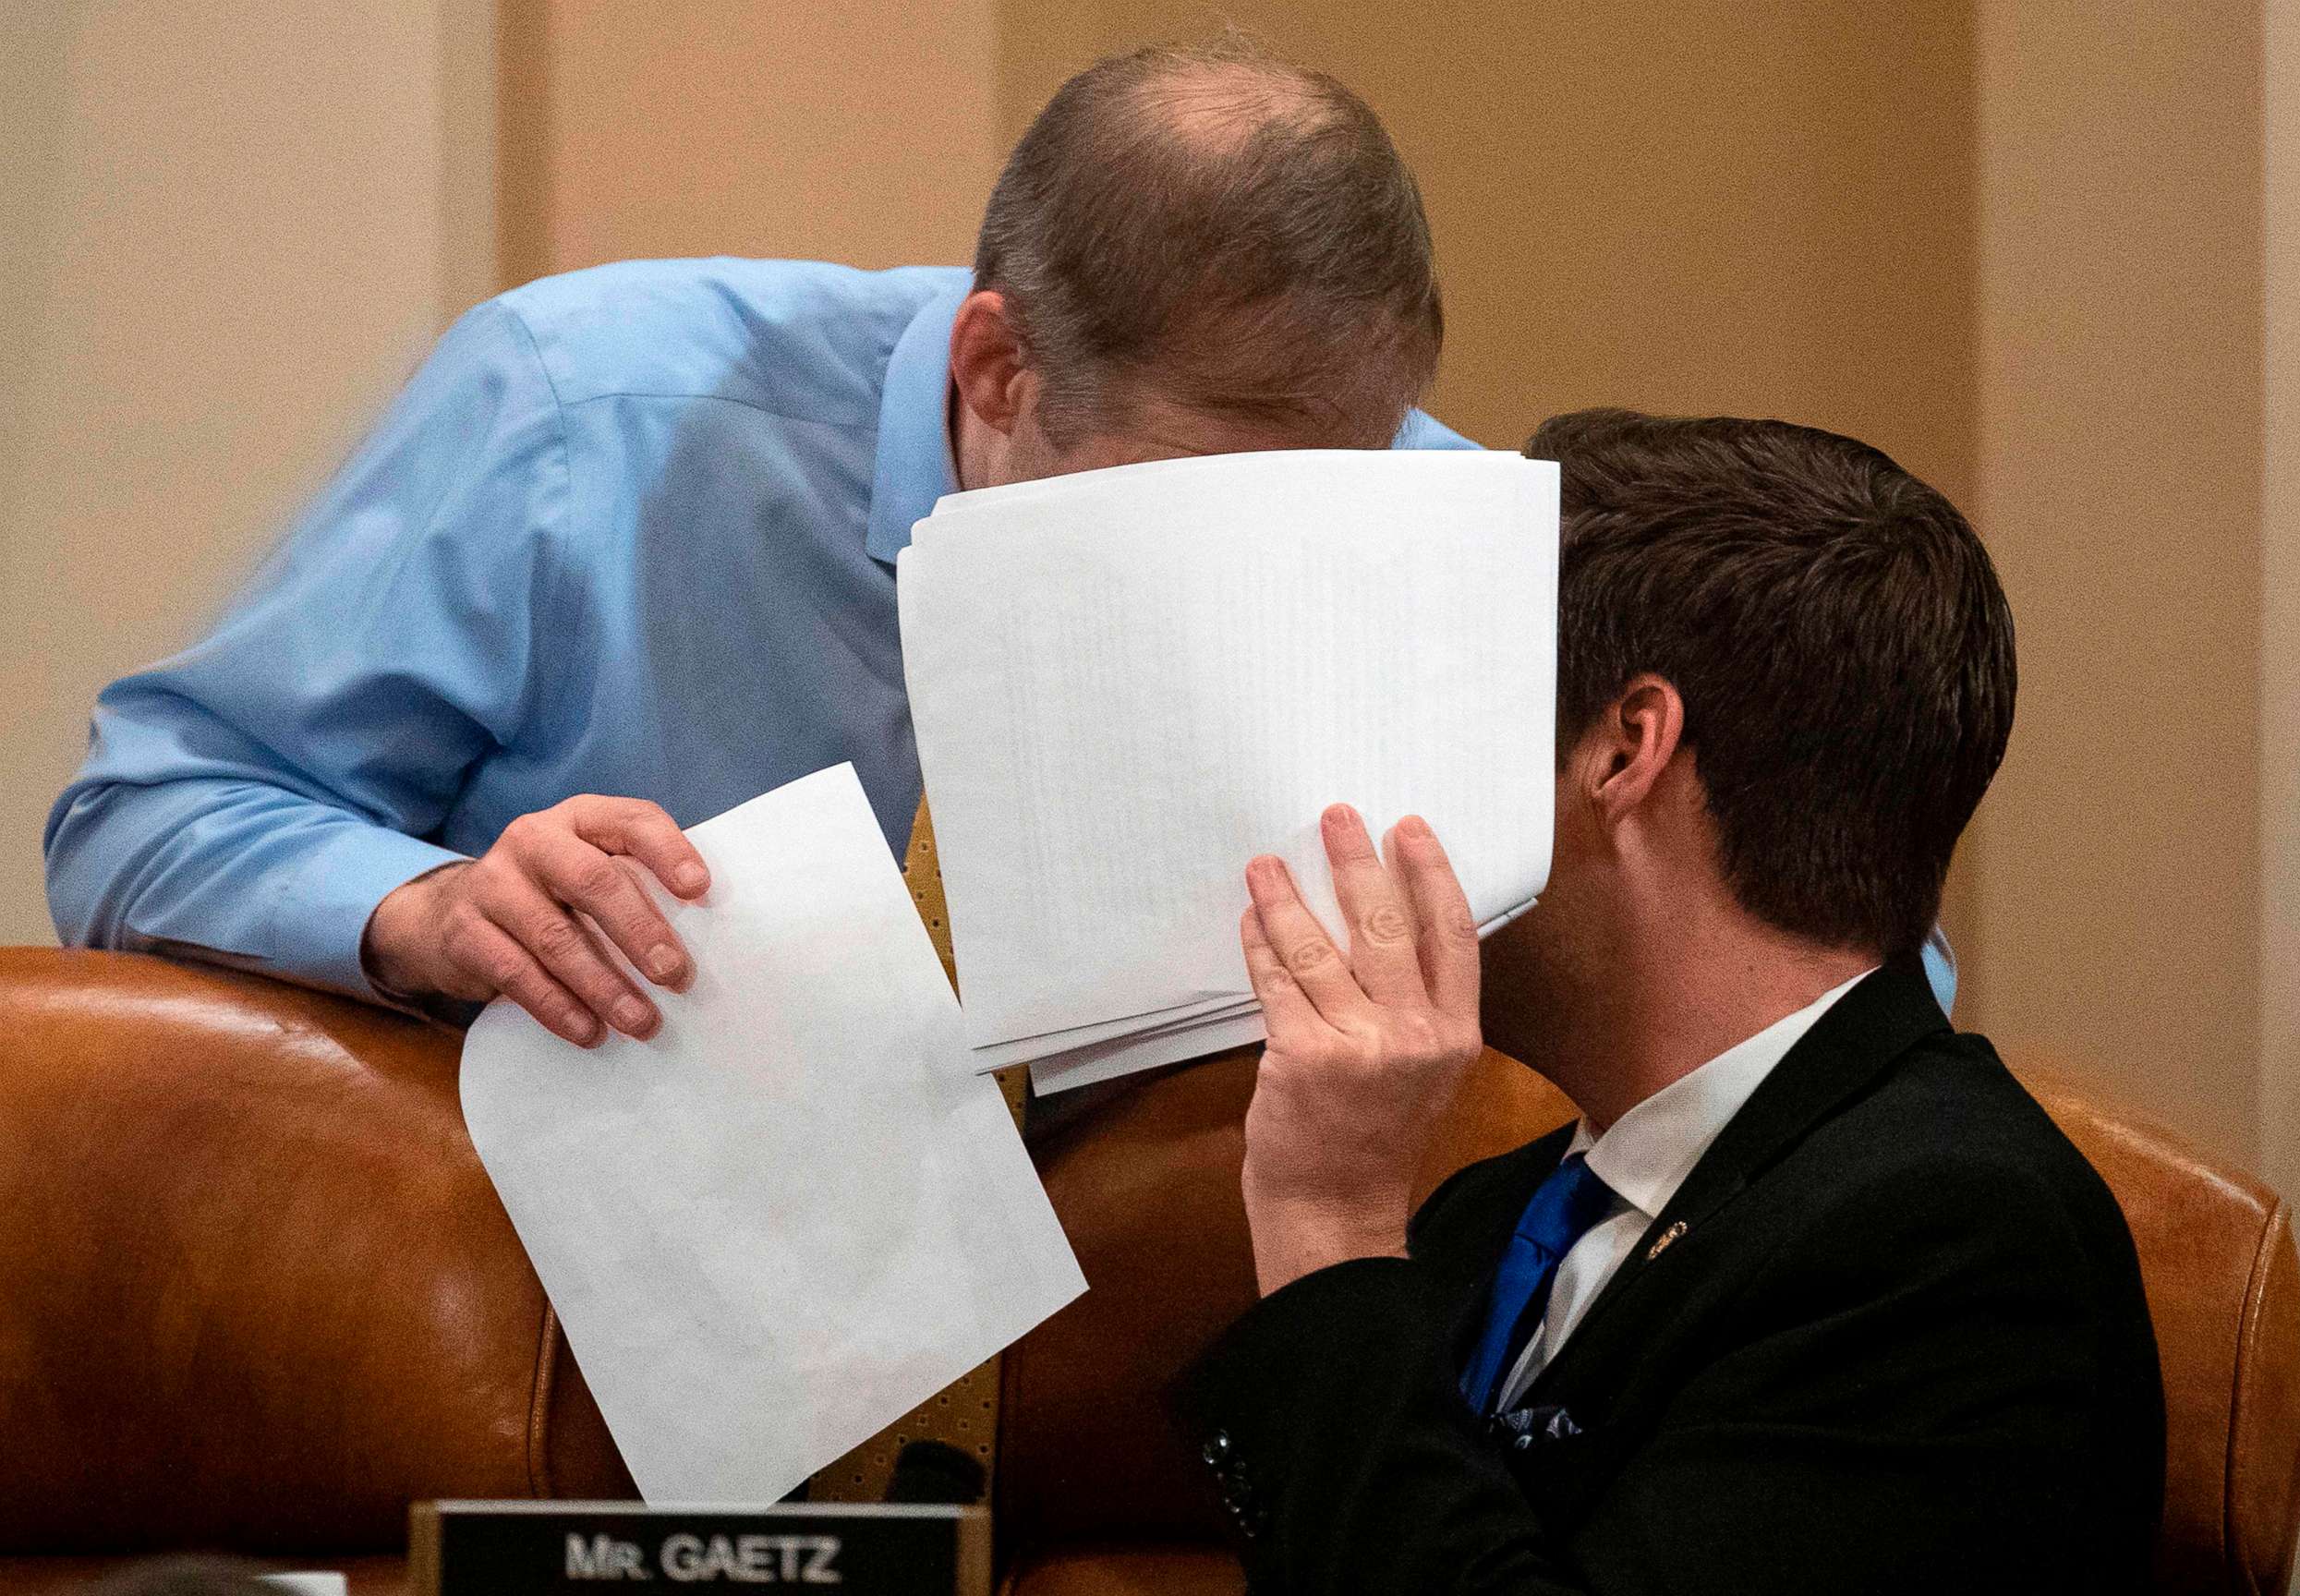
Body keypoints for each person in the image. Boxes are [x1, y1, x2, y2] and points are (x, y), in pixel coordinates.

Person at [44, 42, 1465, 1045]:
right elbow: (143, 822)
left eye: (1309, 517)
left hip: (1148, 1350)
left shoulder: (1430, 511)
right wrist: (427, 910)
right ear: (997, 370)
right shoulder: (575, 413)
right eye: (1181, 508)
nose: (1246, 569)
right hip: (562, 1337)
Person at [1179, 410, 2162, 1592]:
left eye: (1458, 723)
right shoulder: (1497, 1213)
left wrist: (1329, 1228)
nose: (1404, 799)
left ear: (1624, 750)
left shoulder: (1954, 1238)